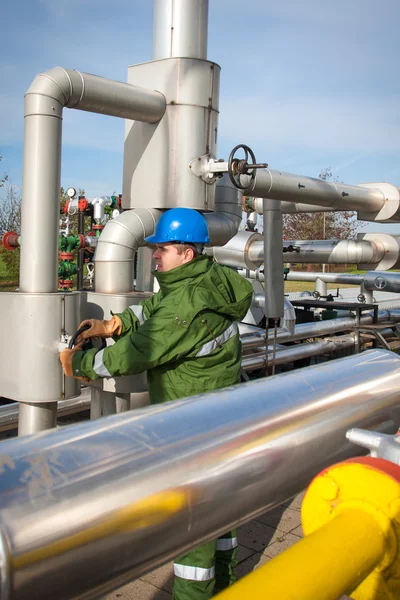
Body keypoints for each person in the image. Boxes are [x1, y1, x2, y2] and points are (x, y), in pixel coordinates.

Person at [60, 206, 253, 599]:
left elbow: (142, 349)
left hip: (192, 421)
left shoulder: (186, 302)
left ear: (187, 252)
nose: (155, 255)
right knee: (221, 511)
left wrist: (81, 364)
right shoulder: (208, 280)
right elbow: (156, 311)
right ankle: (228, 588)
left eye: (162, 249)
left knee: (193, 521)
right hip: (220, 413)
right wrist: (116, 323)